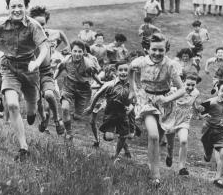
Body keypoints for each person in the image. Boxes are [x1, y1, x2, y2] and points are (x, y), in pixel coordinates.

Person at [0, 0, 49, 161]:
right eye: (13, 6)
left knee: (31, 110)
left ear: (26, 7)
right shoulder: (1, 24)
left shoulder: (34, 25)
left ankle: (36, 111)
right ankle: (23, 147)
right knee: (12, 105)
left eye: (20, 6)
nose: (16, 9)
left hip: (30, 69)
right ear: (8, 8)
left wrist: (37, 62)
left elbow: (44, 47)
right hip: (9, 67)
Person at [129, 33, 185, 187]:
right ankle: (155, 175)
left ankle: (151, 163)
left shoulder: (171, 65)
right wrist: (132, 90)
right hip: (146, 100)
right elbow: (130, 69)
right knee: (153, 135)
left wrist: (166, 99)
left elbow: (182, 89)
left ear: (166, 50)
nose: (157, 53)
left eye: (161, 50)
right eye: (154, 50)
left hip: (164, 102)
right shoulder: (140, 62)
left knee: (157, 138)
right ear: (148, 49)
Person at [85, 61, 138, 158]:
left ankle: (116, 154)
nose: (123, 72)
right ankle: (108, 134)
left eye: (126, 70)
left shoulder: (132, 85)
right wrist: (91, 107)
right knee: (109, 137)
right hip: (111, 113)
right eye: (120, 70)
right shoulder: (110, 84)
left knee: (124, 136)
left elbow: (134, 100)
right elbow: (97, 95)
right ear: (116, 72)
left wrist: (130, 108)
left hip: (123, 114)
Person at [29, 6, 67, 135]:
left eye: (43, 24)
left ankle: (57, 118)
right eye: (37, 24)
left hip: (46, 72)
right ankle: (44, 119)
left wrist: (59, 50)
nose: (41, 27)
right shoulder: (28, 36)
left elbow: (60, 35)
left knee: (49, 95)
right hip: (31, 75)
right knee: (38, 101)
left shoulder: (49, 35)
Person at [54, 40, 101, 140]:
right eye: (75, 51)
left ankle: (69, 117)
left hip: (83, 89)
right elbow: (60, 68)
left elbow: (94, 75)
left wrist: (101, 83)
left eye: (80, 51)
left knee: (77, 117)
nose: (77, 54)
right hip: (69, 86)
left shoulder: (88, 64)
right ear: (71, 51)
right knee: (65, 108)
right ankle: (69, 132)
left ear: (83, 52)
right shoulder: (66, 59)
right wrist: (53, 78)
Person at [164, 74, 202, 175]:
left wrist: (198, 112)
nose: (190, 87)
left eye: (193, 85)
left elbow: (193, 105)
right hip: (171, 118)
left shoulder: (196, 93)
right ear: (183, 82)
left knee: (184, 141)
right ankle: (169, 155)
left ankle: (182, 167)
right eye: (188, 84)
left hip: (184, 119)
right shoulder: (173, 91)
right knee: (170, 145)